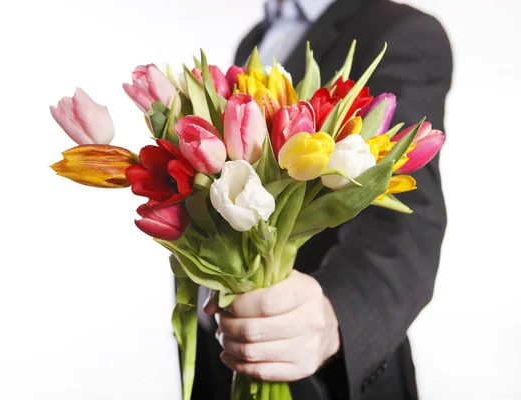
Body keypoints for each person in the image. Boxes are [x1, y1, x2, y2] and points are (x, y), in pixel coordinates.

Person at [191, 0, 453, 399]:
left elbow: (408, 226)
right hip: (223, 360)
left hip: (326, 379)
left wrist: (333, 316)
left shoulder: (401, 29)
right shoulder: (256, 39)